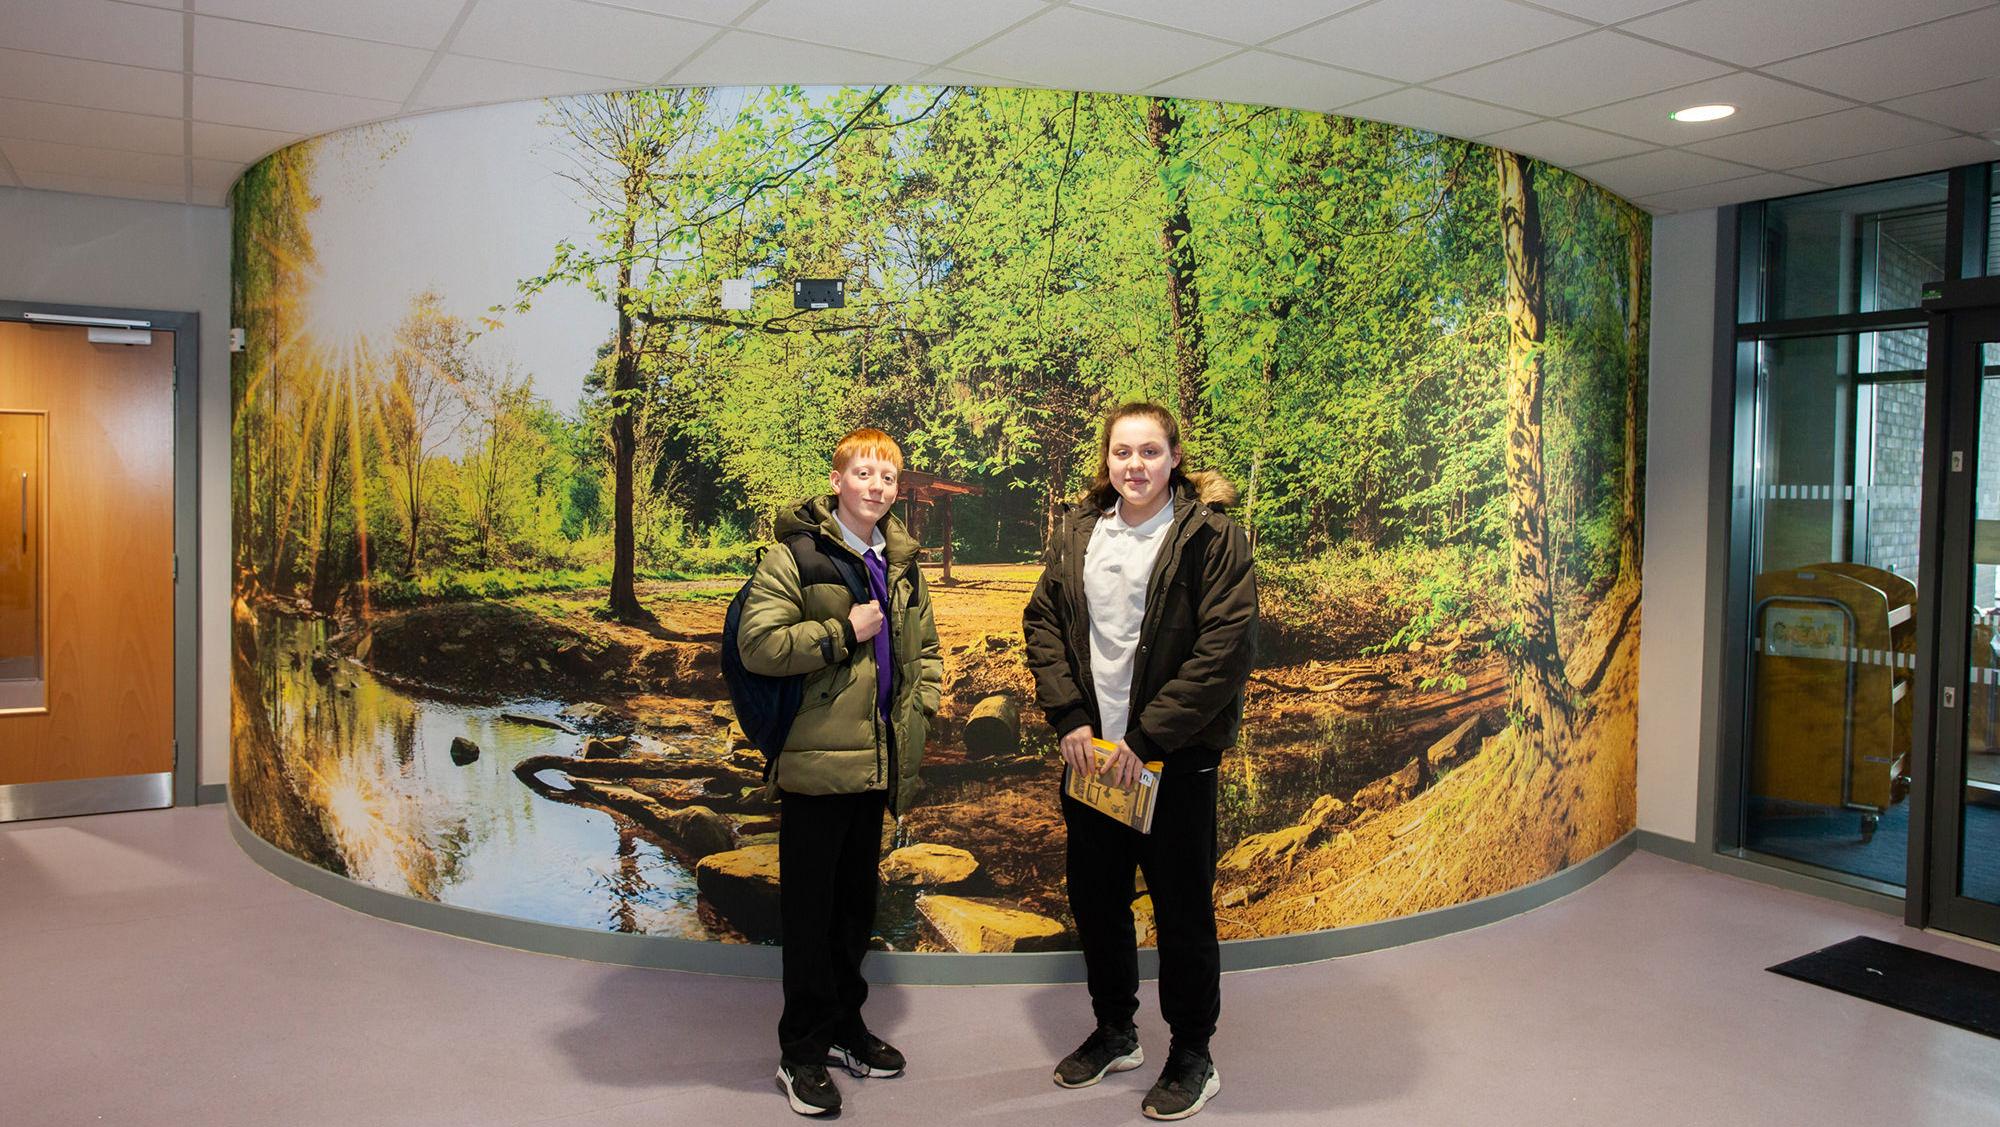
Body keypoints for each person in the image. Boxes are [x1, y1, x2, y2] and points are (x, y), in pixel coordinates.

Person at [1022, 401, 1257, 1121]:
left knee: (1182, 911)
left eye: (1150, 451)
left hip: (1171, 761)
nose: (1135, 465)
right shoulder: (1079, 531)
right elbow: (1043, 621)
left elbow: (1225, 650)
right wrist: (1070, 716)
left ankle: (1192, 1054)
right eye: (1122, 451)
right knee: (1097, 902)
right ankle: (1115, 1031)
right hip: (1094, 760)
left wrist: (1149, 739)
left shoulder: (1212, 537)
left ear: (1175, 457)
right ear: (1107, 459)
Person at [737, 427, 943, 1117]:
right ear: (837, 480)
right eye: (863, 472)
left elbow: (927, 651)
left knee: (855, 912)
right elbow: (760, 644)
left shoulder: (900, 561)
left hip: (878, 767)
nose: (876, 486)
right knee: (809, 915)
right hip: (817, 769)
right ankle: (800, 1052)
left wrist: (923, 710)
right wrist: (841, 632)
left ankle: (845, 1030)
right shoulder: (794, 556)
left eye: (888, 476)